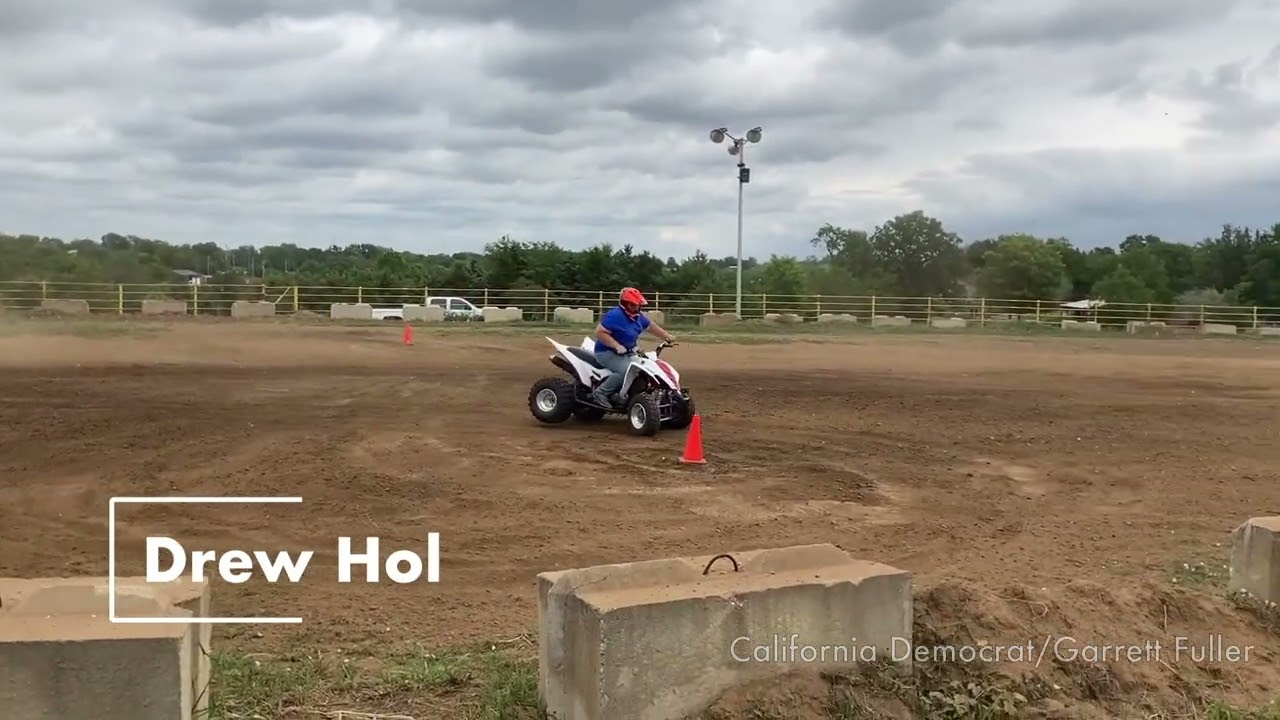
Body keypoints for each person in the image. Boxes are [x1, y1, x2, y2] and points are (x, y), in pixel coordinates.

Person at [591, 287, 674, 407]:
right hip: (606, 352)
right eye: (634, 305)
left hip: (628, 352)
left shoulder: (638, 316)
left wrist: (667, 336)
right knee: (626, 371)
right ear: (626, 304)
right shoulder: (615, 316)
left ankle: (632, 394)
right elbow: (599, 332)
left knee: (646, 367)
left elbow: (651, 326)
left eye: (638, 305)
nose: (637, 307)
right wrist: (616, 346)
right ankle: (600, 393)